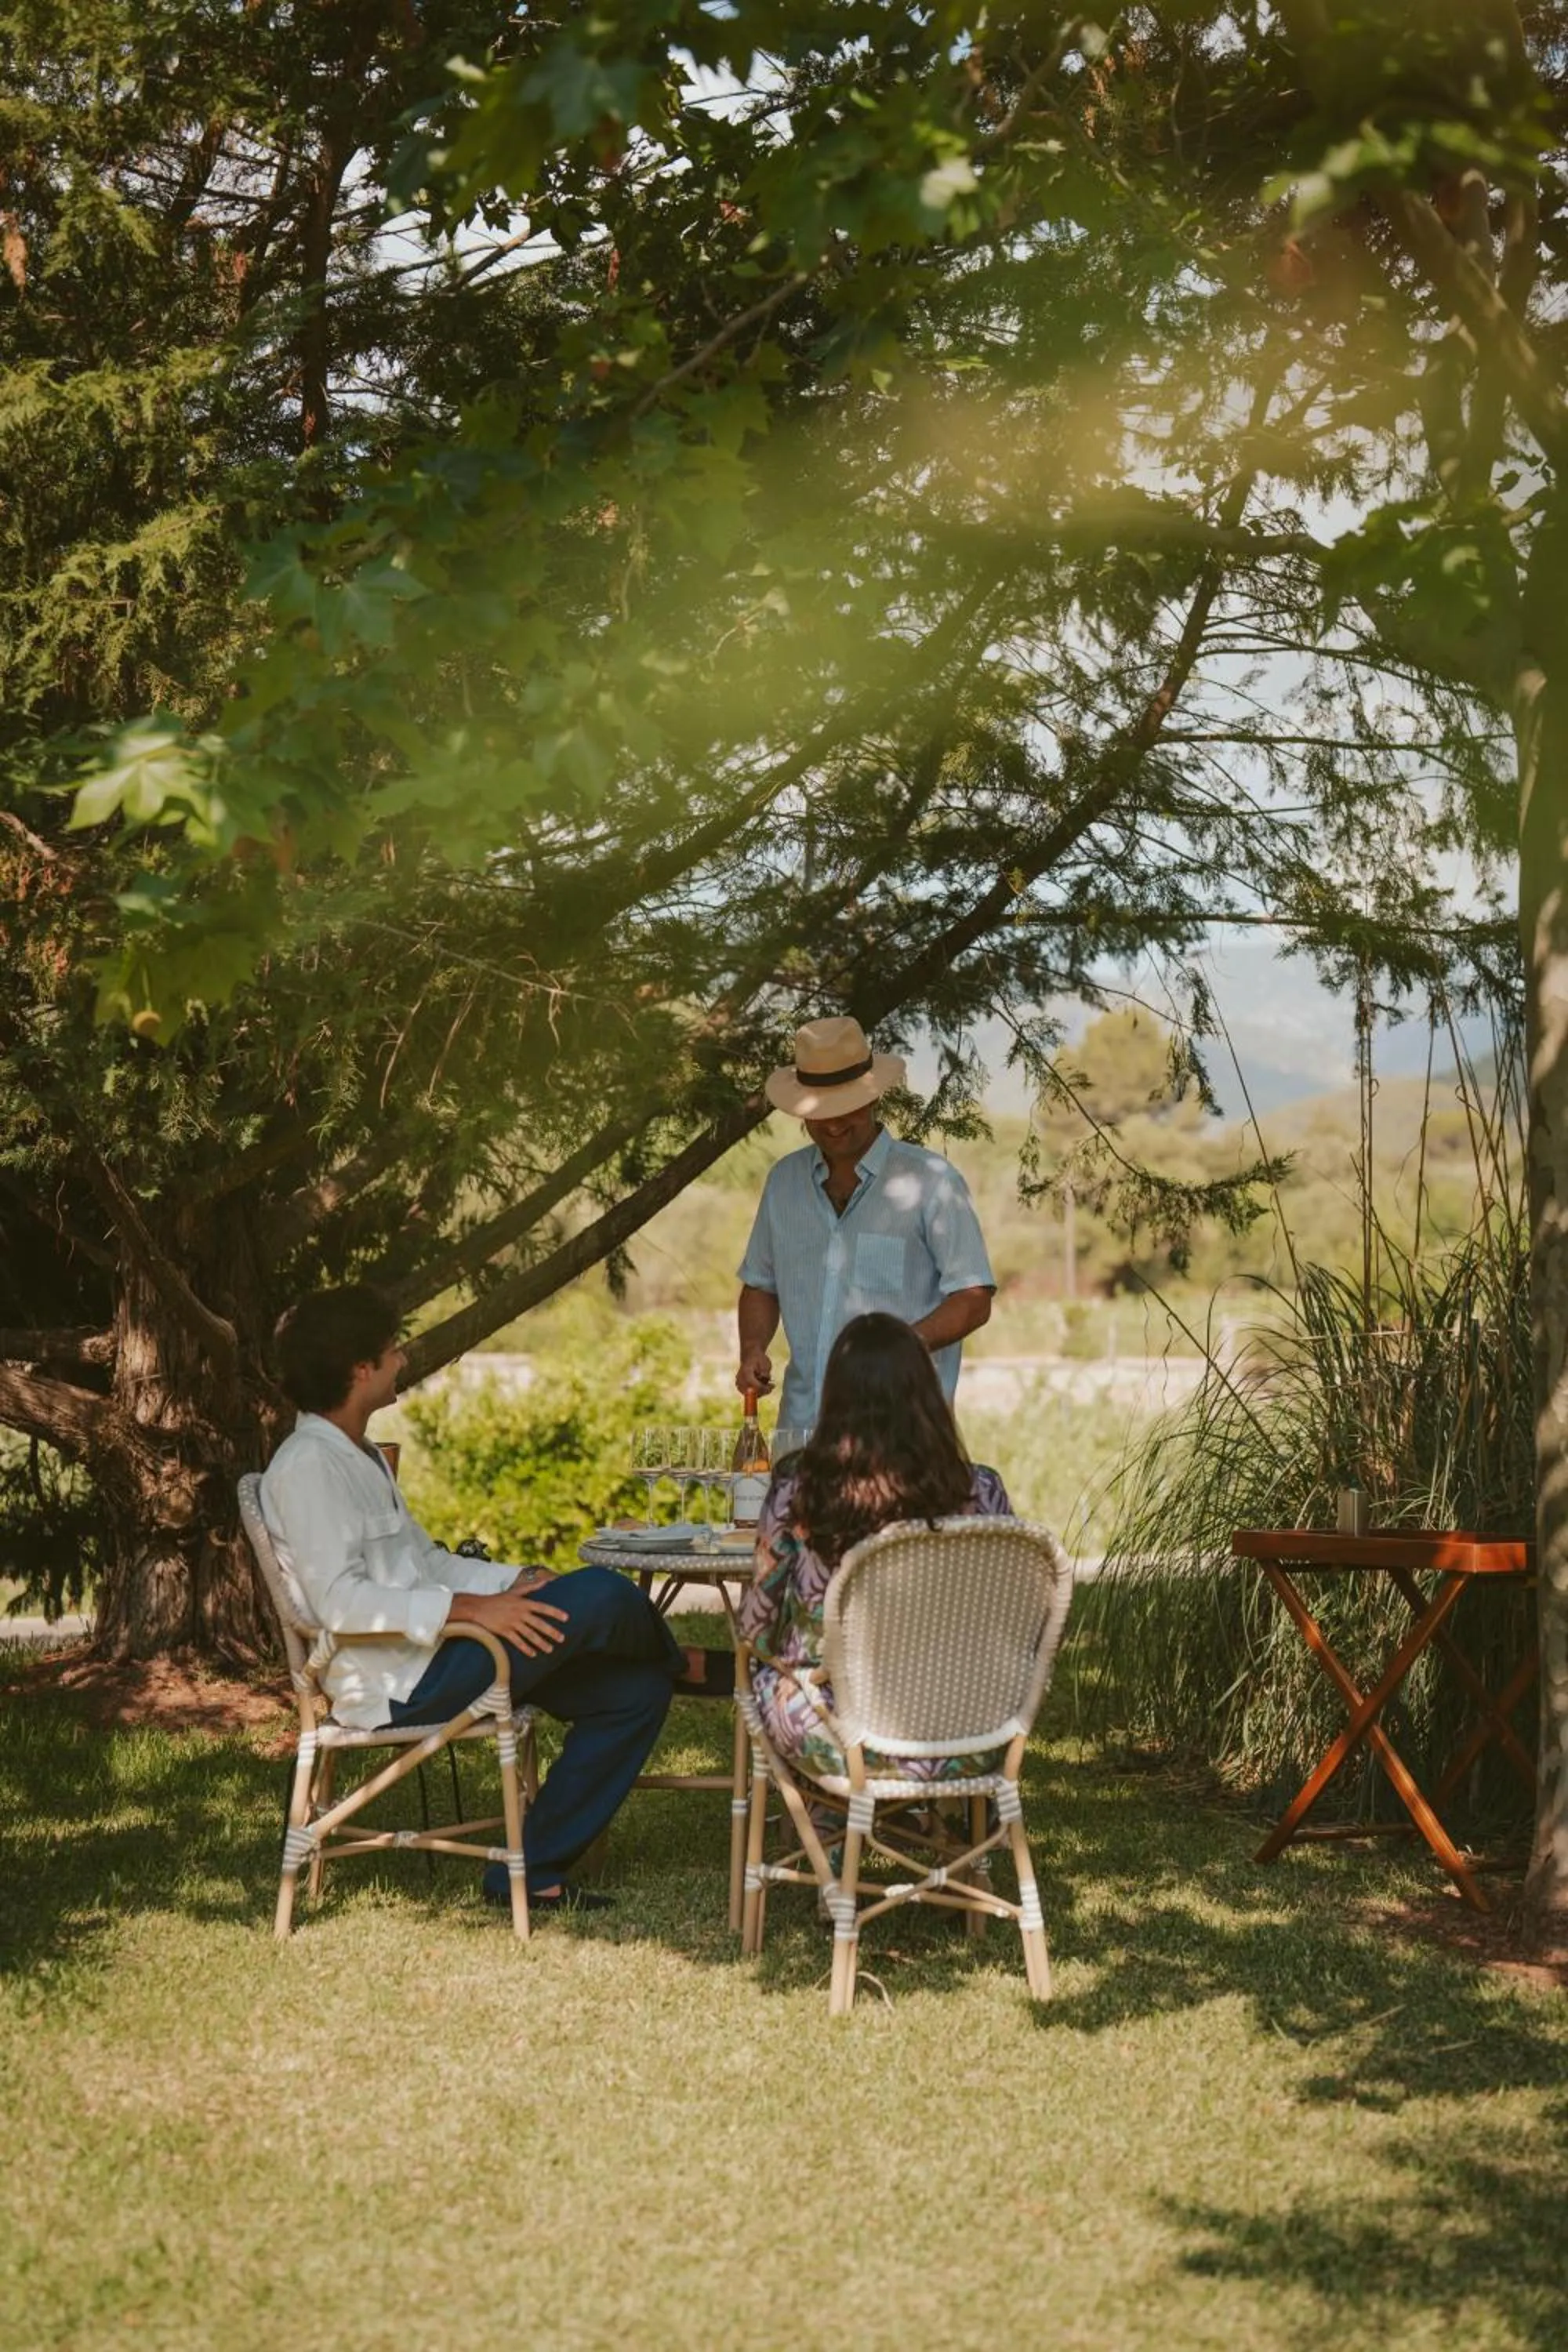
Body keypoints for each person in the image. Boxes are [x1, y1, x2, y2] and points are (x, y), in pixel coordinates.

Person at [259, 1283, 728, 1916]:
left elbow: (426, 1563)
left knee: (635, 1693)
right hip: (401, 1681)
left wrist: (515, 1581)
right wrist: (475, 1612)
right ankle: (685, 1664)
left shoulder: (360, 1454)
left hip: (444, 1651)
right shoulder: (308, 1467)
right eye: (392, 1350)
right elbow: (340, 1602)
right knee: (603, 1590)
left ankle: (530, 1873)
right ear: (359, 1368)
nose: (402, 1360)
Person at [737, 1312, 1013, 1781]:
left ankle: (829, 1816)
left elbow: (756, 1631)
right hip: (968, 1733)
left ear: (836, 1398)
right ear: (926, 1393)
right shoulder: (983, 1490)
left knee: (772, 1677)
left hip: (838, 1734)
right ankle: (915, 1818)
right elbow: (1013, 1619)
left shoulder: (798, 1490)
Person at [735, 1014, 994, 1433]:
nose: (835, 1123)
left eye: (847, 1108)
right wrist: (751, 1349)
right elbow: (760, 1286)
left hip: (902, 1436)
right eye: (820, 1112)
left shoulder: (933, 1181)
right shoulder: (783, 1181)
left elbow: (974, 1298)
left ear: (873, 1098)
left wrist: (900, 1349)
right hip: (801, 1435)